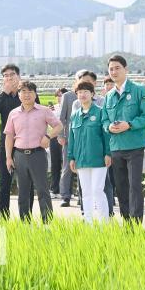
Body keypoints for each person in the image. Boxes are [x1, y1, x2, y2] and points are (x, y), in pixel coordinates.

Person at [101, 55, 145, 224]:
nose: (114, 71)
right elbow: (104, 120)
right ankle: (127, 223)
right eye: (111, 69)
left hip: (135, 146)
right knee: (121, 187)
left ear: (126, 70)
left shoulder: (139, 90)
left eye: (117, 68)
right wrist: (108, 127)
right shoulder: (108, 96)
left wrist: (129, 125)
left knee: (135, 185)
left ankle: (136, 222)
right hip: (116, 146)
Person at [4, 81, 62, 223]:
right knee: (22, 192)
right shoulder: (14, 113)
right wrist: (8, 157)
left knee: (42, 190)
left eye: (30, 92)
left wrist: (48, 136)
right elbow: (9, 136)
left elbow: (59, 125)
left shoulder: (44, 111)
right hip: (19, 155)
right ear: (19, 95)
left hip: (38, 154)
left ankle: (47, 222)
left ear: (35, 94)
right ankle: (25, 223)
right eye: (23, 92)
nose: (26, 95)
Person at [0, 64, 33, 218]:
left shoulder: (27, 93)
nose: (9, 78)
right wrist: (4, 93)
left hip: (26, 144)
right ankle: (3, 217)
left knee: (27, 183)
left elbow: (37, 111)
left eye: (12, 74)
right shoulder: (2, 95)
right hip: (6, 144)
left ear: (18, 76)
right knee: (4, 182)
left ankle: (26, 216)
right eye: (5, 75)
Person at [69, 71, 115, 216]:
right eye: (80, 92)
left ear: (92, 94)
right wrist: (71, 157)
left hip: (98, 159)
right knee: (86, 192)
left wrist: (108, 153)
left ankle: (104, 223)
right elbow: (72, 138)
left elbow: (106, 135)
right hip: (81, 160)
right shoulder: (75, 115)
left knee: (97, 190)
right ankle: (88, 222)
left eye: (86, 92)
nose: (82, 95)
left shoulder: (100, 112)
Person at [57, 70, 86, 207]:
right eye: (79, 78)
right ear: (75, 80)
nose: (81, 80)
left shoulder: (90, 95)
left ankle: (82, 196)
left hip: (86, 139)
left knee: (83, 168)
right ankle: (65, 196)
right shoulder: (68, 96)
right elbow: (61, 118)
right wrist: (60, 135)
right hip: (69, 139)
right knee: (67, 168)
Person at [49, 88, 67, 197]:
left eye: (62, 95)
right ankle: (54, 189)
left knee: (66, 164)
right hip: (54, 138)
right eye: (58, 95)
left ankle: (67, 190)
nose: (60, 98)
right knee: (55, 164)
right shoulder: (51, 109)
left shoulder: (71, 106)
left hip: (66, 137)